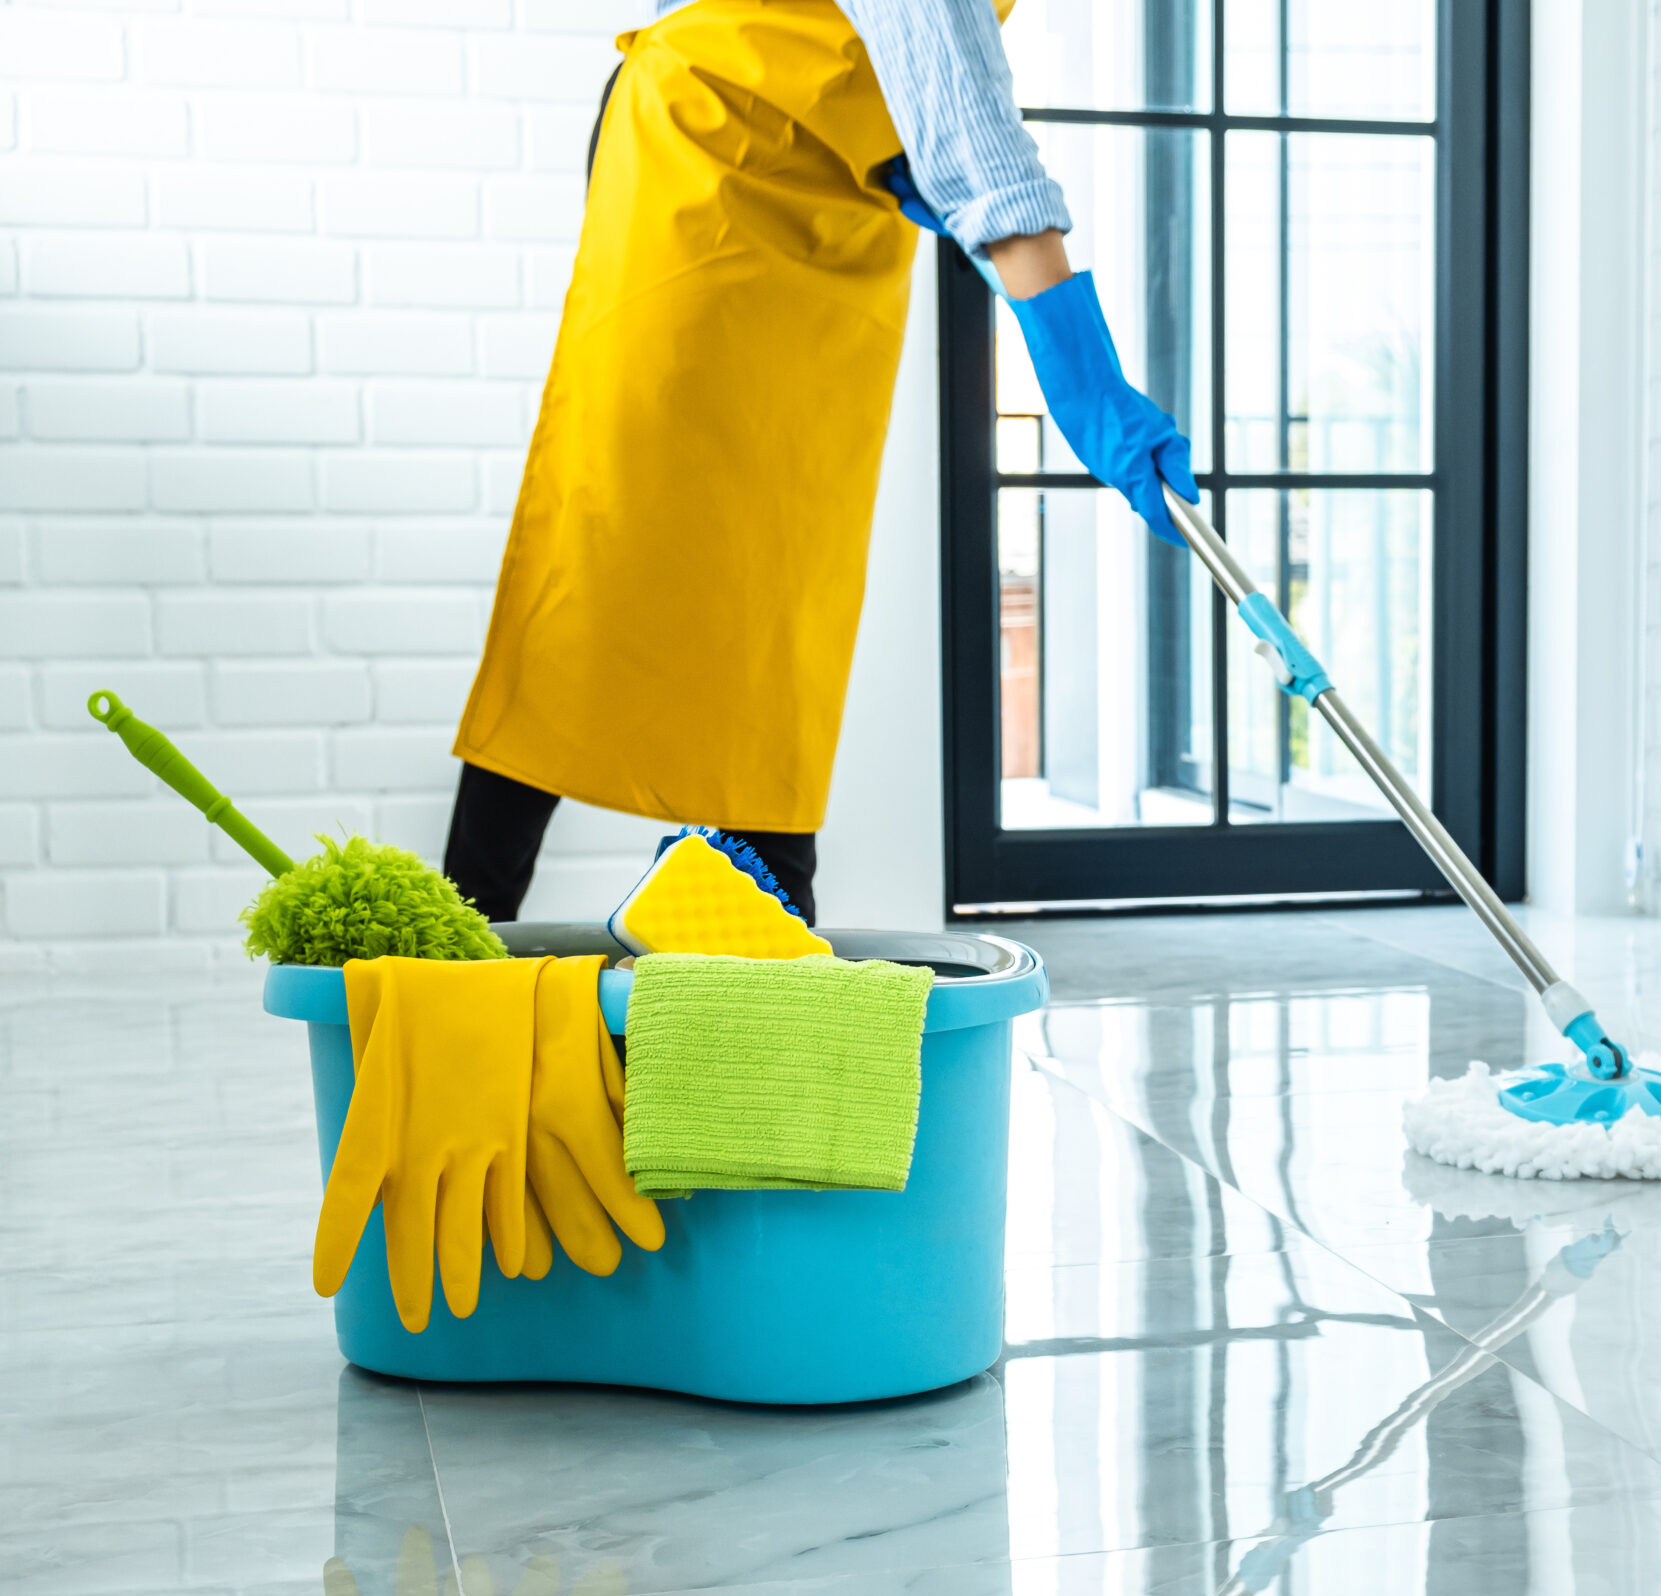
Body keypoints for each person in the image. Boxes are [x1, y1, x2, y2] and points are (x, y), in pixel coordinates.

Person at [443, 0, 1197, 924]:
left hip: (832, 198)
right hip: (709, 162)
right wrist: (1086, 379)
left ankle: (752, 949)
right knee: (606, 556)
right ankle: (446, 959)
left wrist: (887, 148)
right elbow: (969, 116)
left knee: (778, 589)